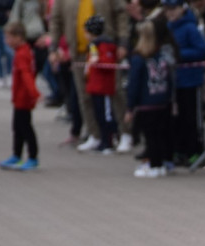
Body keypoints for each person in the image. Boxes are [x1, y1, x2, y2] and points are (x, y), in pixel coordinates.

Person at [49, 0, 132, 152]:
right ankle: (95, 134)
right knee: (85, 95)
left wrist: (123, 42)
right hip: (79, 52)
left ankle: (125, 133)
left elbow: (121, 14)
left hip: (107, 51)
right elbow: (56, 20)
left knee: (115, 93)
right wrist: (53, 47)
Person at [125, 19, 172, 176]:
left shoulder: (139, 58)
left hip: (147, 102)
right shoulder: (161, 56)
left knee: (151, 136)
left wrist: (130, 107)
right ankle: (160, 164)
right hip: (162, 100)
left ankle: (153, 164)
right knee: (160, 135)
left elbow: (134, 84)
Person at [162, 0, 205, 165]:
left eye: (174, 9)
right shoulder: (168, 27)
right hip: (174, 82)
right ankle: (179, 150)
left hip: (190, 81)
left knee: (190, 118)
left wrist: (178, 54)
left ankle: (194, 151)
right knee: (176, 119)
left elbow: (201, 50)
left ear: (182, 8)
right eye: (167, 9)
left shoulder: (190, 27)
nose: (170, 13)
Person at [0, 21, 41, 170]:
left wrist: (34, 93)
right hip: (19, 97)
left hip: (23, 98)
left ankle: (32, 157)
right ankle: (16, 155)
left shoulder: (22, 54)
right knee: (17, 127)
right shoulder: (23, 51)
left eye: (9, 37)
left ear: (18, 37)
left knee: (25, 127)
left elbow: (26, 75)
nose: (7, 41)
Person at [83, 14, 119, 152]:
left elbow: (109, 63)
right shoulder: (93, 45)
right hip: (95, 86)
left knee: (106, 116)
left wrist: (97, 61)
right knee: (99, 115)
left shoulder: (105, 45)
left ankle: (108, 141)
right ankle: (103, 141)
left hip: (103, 87)